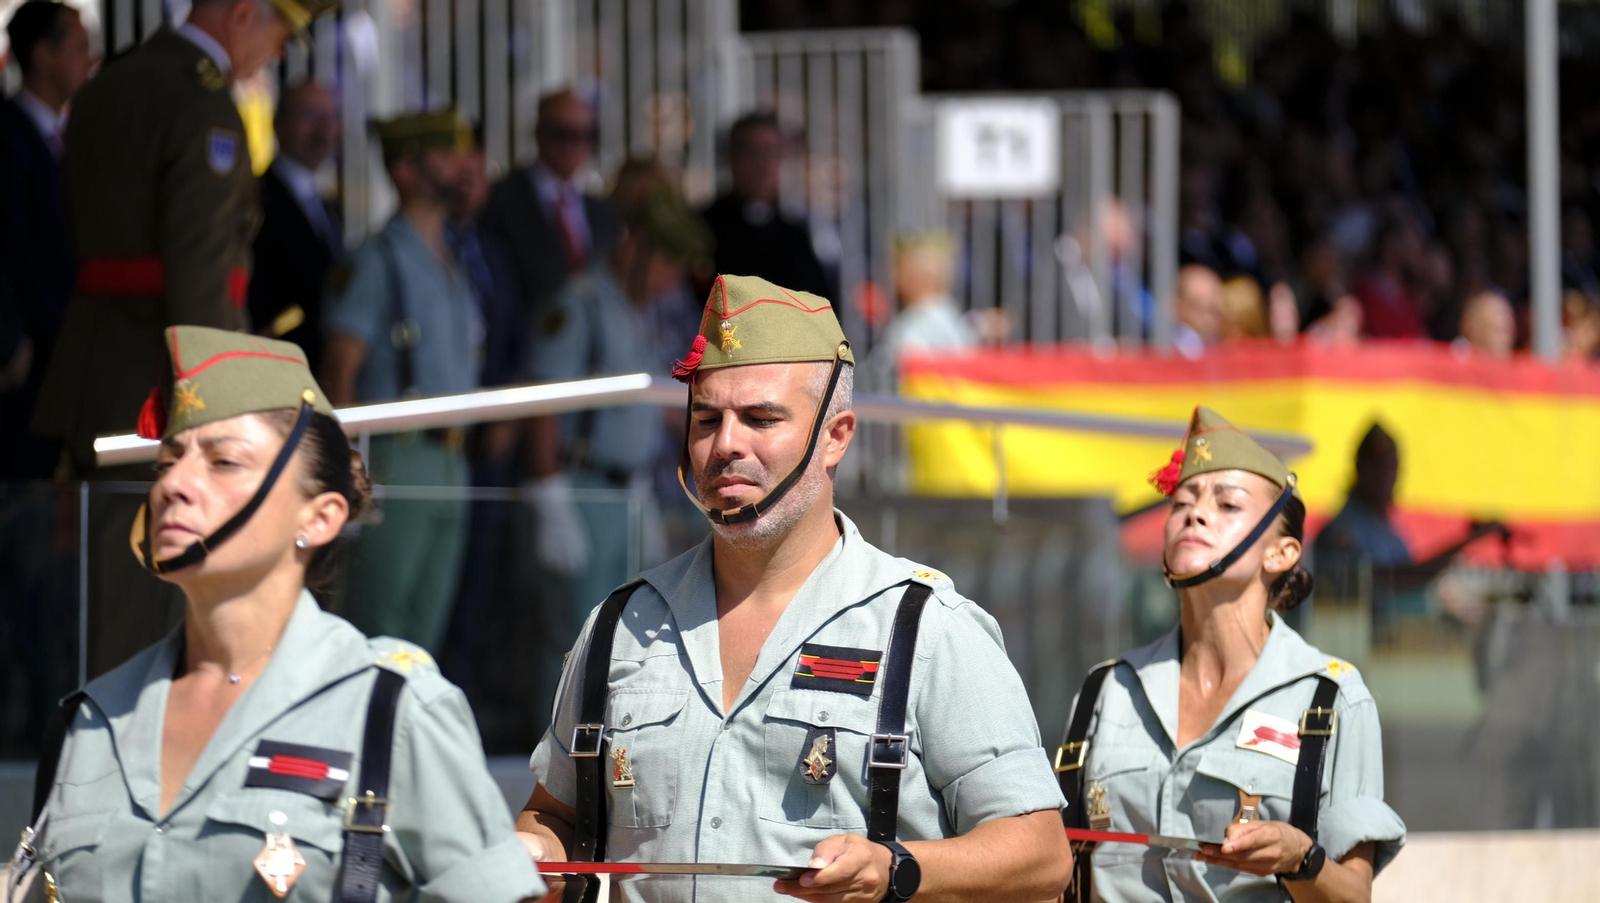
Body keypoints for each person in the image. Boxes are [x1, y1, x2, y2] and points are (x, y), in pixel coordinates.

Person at [515, 274, 1073, 903]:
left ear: (836, 436)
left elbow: (1041, 854)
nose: (726, 445)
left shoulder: (926, 627)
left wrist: (895, 869)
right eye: (706, 419)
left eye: (760, 418)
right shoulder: (621, 625)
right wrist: (536, 855)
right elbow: (554, 813)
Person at [11, 325, 543, 903]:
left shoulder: (393, 711)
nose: (174, 484)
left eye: (224, 462)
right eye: (168, 461)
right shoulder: (90, 721)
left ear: (319, 518)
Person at [28, 0, 338, 678]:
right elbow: (201, 284)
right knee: (141, 628)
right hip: (164, 394)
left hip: (97, 376)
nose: (279, 51)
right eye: (280, 31)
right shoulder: (202, 106)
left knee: (101, 609)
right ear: (243, 12)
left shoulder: (110, 84)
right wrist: (220, 413)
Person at [1058, 406, 1406, 903]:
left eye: (1227, 505)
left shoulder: (1332, 700)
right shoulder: (1105, 690)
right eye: (1182, 502)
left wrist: (1299, 859)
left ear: (1281, 554)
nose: (1194, 513)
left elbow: (1353, 895)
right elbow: (1056, 869)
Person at [515, 187, 709, 741]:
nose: (670, 280)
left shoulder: (635, 311)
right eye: (667, 262)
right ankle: (553, 763)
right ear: (637, 245)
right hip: (578, 485)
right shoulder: (580, 303)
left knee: (622, 638)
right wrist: (548, 493)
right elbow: (546, 402)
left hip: (624, 488)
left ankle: (599, 751)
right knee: (571, 639)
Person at [322, 110, 482, 653]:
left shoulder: (453, 259)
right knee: (377, 624)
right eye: (445, 154)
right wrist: (341, 467)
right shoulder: (376, 259)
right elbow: (340, 365)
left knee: (422, 636)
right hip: (396, 457)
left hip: (451, 459)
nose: (462, 166)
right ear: (406, 170)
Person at [0, 0, 94, 482]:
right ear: (43, 55)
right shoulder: (9, 137)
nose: (91, 58)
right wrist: (9, 338)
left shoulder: (69, 137)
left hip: (61, 359)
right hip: (22, 367)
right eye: (79, 47)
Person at [1313, 423, 1505, 638]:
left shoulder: (1388, 531)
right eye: (1378, 468)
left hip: (1392, 650)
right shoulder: (1342, 531)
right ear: (1360, 469)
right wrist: (1464, 543)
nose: (1386, 478)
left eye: (1391, 468)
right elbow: (1389, 581)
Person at [480, 89, 620, 319]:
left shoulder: (602, 212)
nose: (572, 146)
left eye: (584, 134)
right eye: (561, 134)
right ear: (538, 133)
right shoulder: (500, 201)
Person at [249, 80, 344, 367]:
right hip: (275, 366)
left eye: (332, 117)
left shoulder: (326, 204)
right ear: (278, 125)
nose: (325, 130)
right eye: (310, 117)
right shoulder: (256, 199)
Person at [698, 112, 833, 302]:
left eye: (770, 152)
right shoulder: (702, 228)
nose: (761, 165)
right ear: (730, 157)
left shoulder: (795, 236)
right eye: (751, 152)